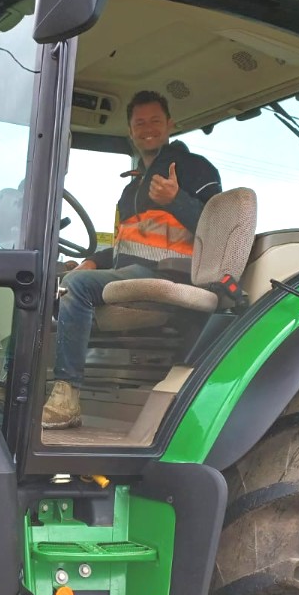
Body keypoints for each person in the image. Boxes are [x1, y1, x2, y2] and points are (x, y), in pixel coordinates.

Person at [42, 90, 222, 429]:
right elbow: (129, 243)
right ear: (130, 131)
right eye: (140, 123)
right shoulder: (132, 189)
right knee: (53, 280)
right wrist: (94, 260)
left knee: (75, 287)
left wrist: (177, 199)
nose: (148, 128)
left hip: (173, 273)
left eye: (155, 120)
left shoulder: (195, 169)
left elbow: (216, 229)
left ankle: (66, 397)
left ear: (170, 124)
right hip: (135, 269)